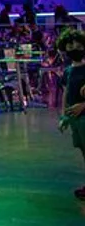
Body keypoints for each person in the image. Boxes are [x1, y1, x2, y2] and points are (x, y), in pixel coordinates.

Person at [57, 28, 85, 200]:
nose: (74, 48)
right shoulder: (68, 71)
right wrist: (64, 116)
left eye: (78, 45)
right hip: (74, 119)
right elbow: (65, 94)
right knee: (83, 151)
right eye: (70, 45)